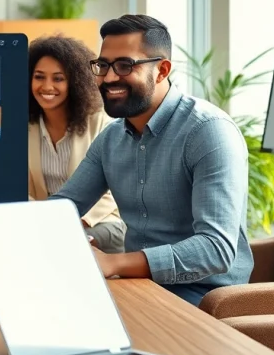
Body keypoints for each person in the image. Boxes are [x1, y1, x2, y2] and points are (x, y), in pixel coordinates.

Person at [50, 15, 252, 306]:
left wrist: (114, 264)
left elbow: (215, 250)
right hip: (140, 286)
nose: (108, 78)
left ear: (162, 70)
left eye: (124, 65)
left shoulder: (209, 131)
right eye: (103, 65)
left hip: (206, 296)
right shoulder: (111, 139)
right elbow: (63, 207)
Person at [27, 36, 125, 253]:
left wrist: (67, 224)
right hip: (43, 225)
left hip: (98, 223)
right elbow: (20, 189)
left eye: (58, 78)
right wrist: (42, 221)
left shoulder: (101, 122)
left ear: (75, 81)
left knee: (68, 245)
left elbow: (112, 192)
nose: (47, 86)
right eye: (39, 77)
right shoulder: (25, 127)